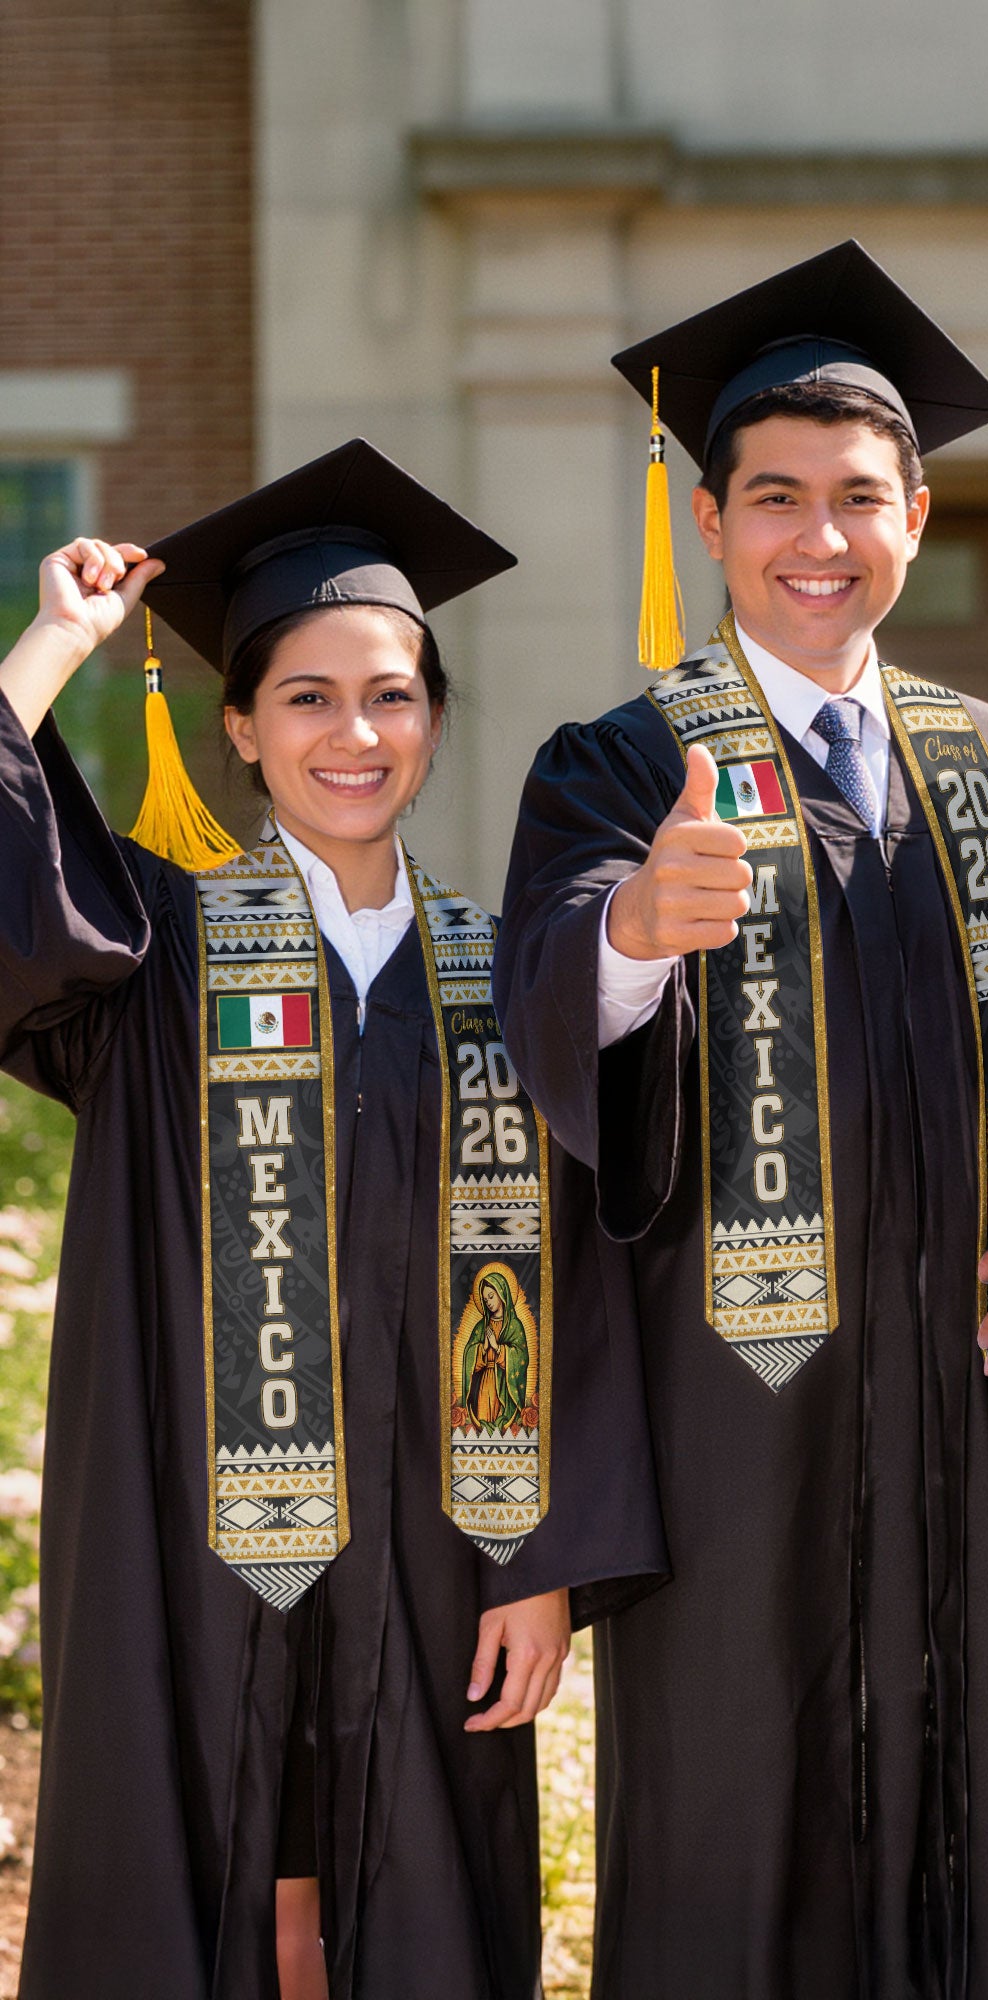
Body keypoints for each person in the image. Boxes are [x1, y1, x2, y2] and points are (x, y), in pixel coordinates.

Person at [495, 241, 988, 1998]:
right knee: (732, 1849)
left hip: (954, 1415)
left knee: (975, 1829)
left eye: (860, 498)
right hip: (729, 1427)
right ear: (710, 522)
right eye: (776, 498)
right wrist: (630, 933)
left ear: (917, 515)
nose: (818, 538)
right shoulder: (621, 764)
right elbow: (545, 1001)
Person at [0, 441, 664, 2000]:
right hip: (188, 1542)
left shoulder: (513, 977)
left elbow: (587, 1283)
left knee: (423, 1904)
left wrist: (545, 1560)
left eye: (391, 694)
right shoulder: (153, 953)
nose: (352, 733)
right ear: (238, 726)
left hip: (444, 1552)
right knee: (201, 1878)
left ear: (435, 718)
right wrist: (53, 647)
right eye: (305, 696)